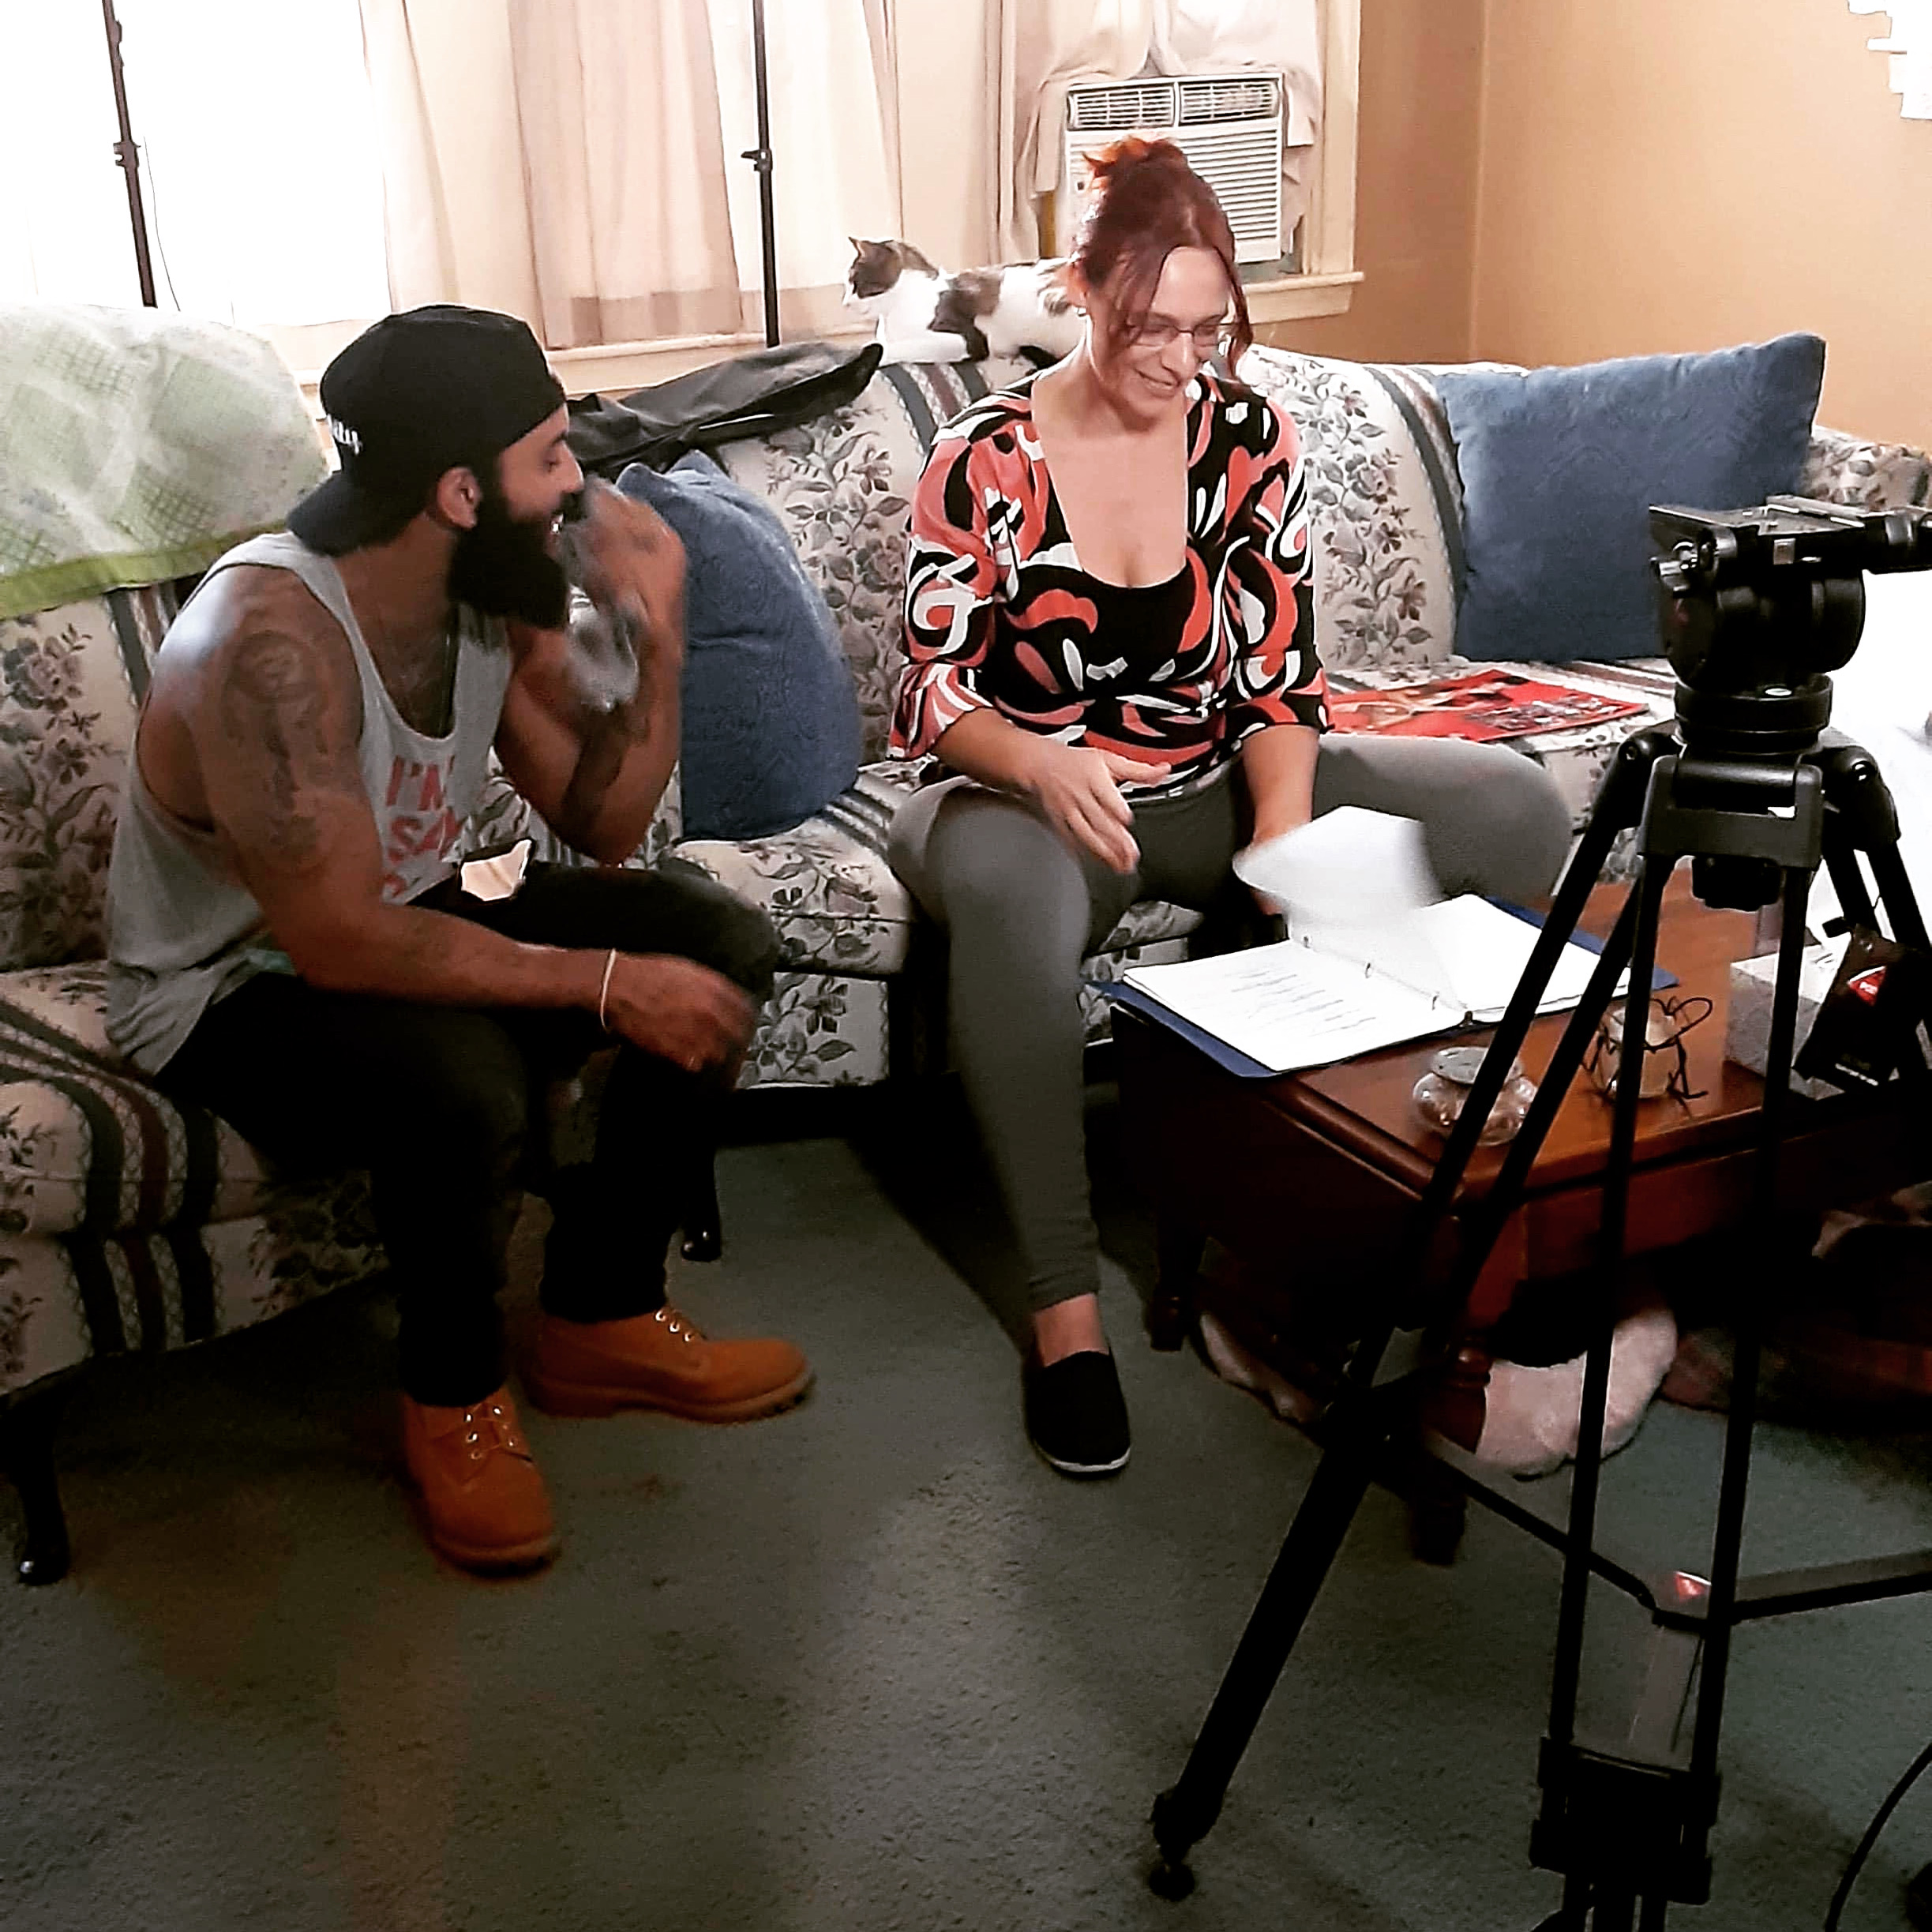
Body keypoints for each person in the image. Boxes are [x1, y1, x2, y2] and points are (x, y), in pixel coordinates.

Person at [887, 141, 1572, 1478]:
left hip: (1206, 780)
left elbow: (1279, 679)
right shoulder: (986, 454)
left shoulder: (1248, 437)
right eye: (1151, 326)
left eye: (1207, 329)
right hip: (1025, 798)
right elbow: (929, 691)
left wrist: (1283, 836)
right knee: (1015, 907)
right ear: (1083, 290)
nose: (1180, 358)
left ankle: (1458, 1209)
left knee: (1515, 808)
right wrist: (1040, 764)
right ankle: (1066, 1320)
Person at [106, 305, 811, 1576]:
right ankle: (453, 1401)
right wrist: (604, 983)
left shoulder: (488, 595)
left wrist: (656, 636)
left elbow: (601, 823)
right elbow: (336, 943)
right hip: (226, 984)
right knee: (464, 1082)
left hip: (396, 911)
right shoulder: (268, 641)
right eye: (549, 455)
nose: (575, 483)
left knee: (712, 939)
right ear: (457, 492)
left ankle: (601, 1315)